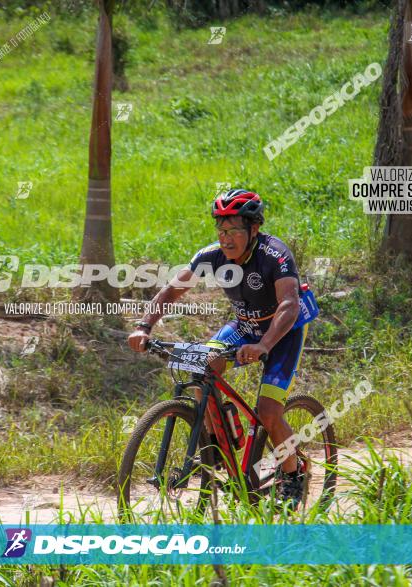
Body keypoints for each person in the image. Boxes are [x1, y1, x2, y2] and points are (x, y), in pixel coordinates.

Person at [127, 188, 308, 507]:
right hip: (244, 326)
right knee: (202, 365)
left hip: (282, 331)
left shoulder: (274, 254)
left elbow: (290, 305)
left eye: (234, 230)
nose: (226, 238)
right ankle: (221, 442)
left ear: (253, 229)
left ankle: (293, 476)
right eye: (221, 229)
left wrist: (263, 345)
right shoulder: (210, 256)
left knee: (268, 412)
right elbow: (171, 291)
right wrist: (145, 326)